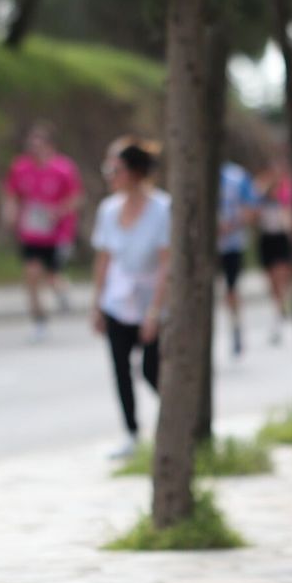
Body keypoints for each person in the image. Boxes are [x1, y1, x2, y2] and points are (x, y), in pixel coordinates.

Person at [91, 141, 170, 460]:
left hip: (152, 299)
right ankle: (132, 433)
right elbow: (104, 258)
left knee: (152, 369)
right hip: (118, 299)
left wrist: (154, 312)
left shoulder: (163, 208)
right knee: (120, 368)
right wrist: (97, 303)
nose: (111, 176)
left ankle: (177, 421)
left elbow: (167, 261)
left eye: (116, 169)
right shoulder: (108, 210)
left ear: (135, 172)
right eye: (108, 169)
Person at [2, 121, 82, 342]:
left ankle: (62, 290)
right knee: (31, 275)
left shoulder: (63, 168)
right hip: (31, 233)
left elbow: (76, 198)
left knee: (52, 276)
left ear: (51, 146)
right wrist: (10, 213)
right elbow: (12, 194)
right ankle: (39, 322)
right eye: (32, 145)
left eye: (39, 145)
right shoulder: (20, 167)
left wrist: (58, 211)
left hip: (56, 234)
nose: (35, 150)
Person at [254, 158, 292, 346]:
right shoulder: (261, 192)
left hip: (281, 238)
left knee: (282, 278)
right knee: (272, 282)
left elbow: (289, 216)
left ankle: (279, 316)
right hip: (267, 239)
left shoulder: (286, 192)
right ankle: (279, 311)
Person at [216, 160, 258, 357]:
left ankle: (235, 328)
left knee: (231, 289)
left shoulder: (237, 177)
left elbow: (251, 208)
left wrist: (231, 225)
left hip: (232, 244)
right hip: (205, 249)